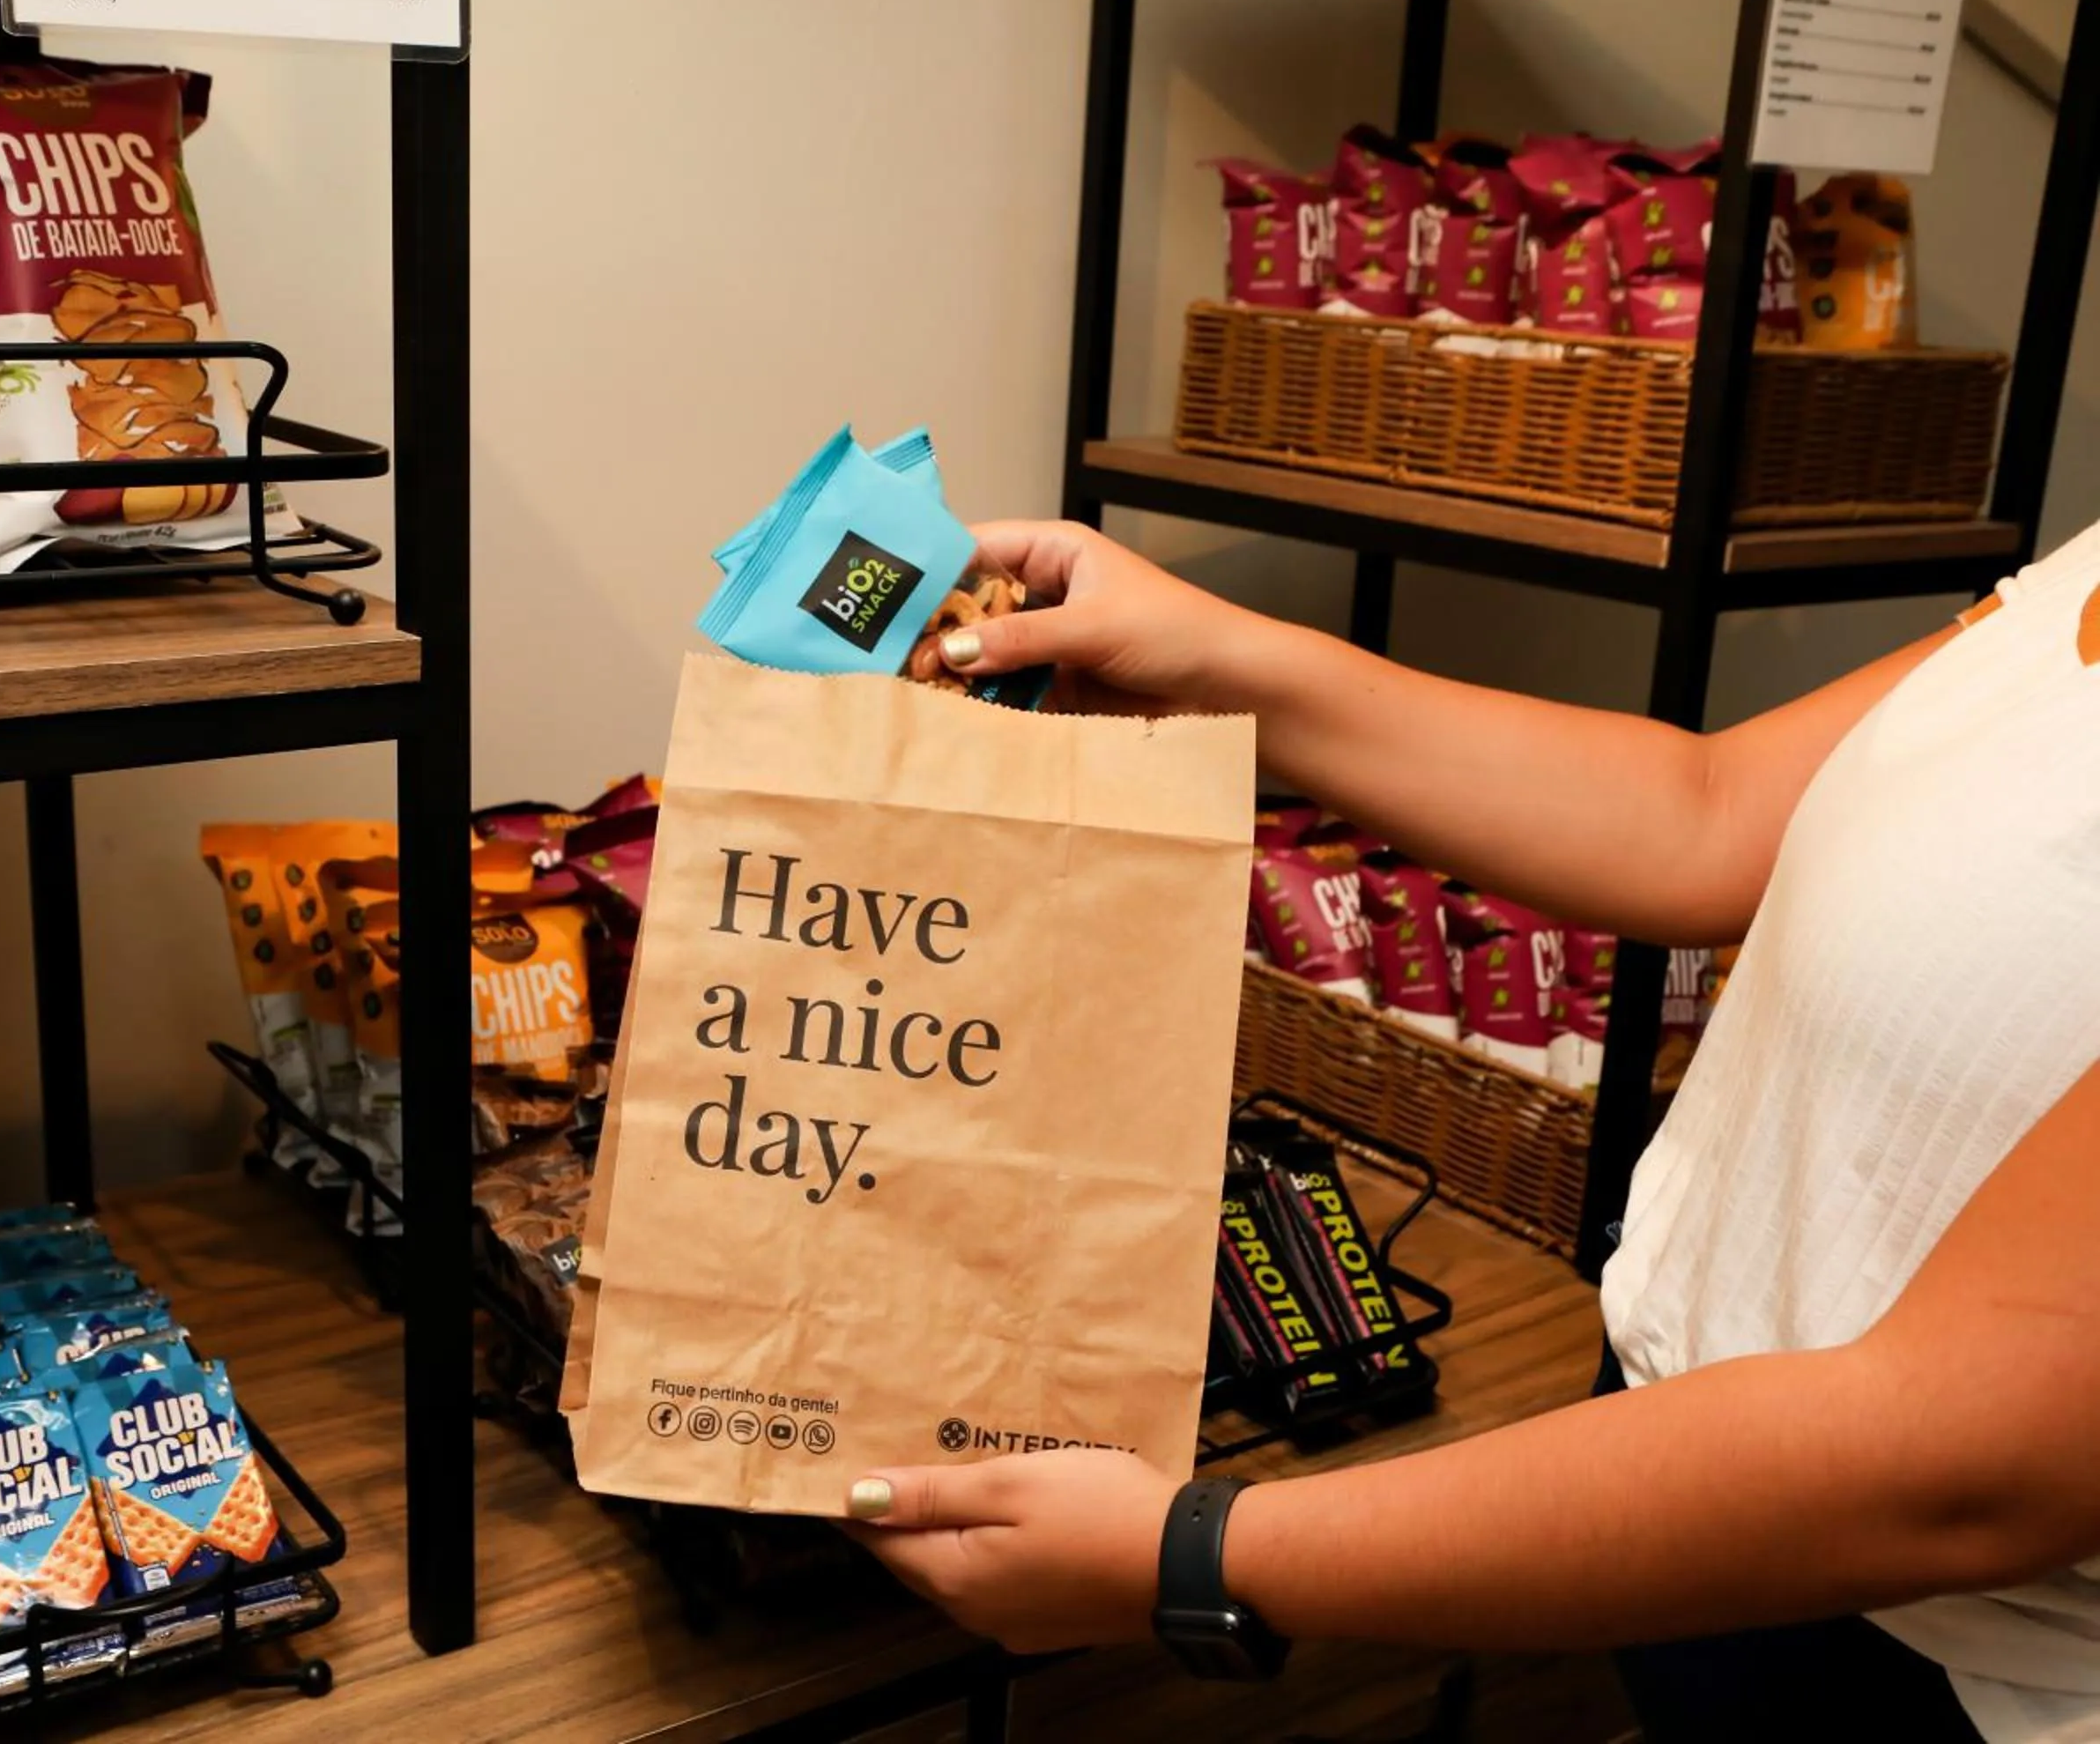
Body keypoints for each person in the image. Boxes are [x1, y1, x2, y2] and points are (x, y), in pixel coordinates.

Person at [841, 518, 2100, 1743]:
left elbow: (1957, 1462)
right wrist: (1216, 655)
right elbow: (1705, 812)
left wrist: (1200, 1555)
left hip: (1957, 1671)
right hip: (1699, 1527)